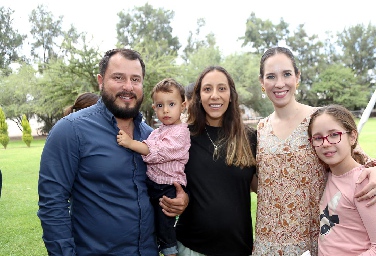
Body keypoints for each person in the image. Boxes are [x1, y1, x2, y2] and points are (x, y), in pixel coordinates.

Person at [37, 48, 188, 255]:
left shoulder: (150, 136)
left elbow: (165, 181)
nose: (128, 87)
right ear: (101, 81)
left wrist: (181, 201)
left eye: (135, 79)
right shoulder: (70, 131)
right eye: (118, 78)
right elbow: (52, 203)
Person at [253, 46, 376, 256]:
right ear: (262, 83)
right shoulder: (261, 129)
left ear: (297, 77)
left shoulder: (318, 119)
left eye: (287, 74)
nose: (279, 83)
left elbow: (357, 156)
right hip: (268, 241)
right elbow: (261, 182)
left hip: (315, 240)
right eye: (271, 76)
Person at [165, 66, 257, 256]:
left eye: (222, 88)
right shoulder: (182, 137)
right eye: (207, 89)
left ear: (231, 95)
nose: (215, 95)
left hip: (238, 248)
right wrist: (180, 197)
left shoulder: (250, 138)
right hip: (191, 248)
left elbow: (262, 186)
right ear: (199, 96)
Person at [308, 104, 376, 256]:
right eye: (318, 138)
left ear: (352, 137)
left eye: (334, 135)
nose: (326, 143)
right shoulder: (329, 175)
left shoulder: (365, 182)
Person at [117, 78, 190, 256]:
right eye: (159, 105)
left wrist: (130, 143)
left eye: (171, 104)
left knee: (165, 225)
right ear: (154, 107)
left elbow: (156, 152)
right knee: (153, 220)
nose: (165, 110)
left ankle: (171, 252)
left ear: (183, 105)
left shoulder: (181, 132)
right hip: (154, 184)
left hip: (168, 187)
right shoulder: (157, 131)